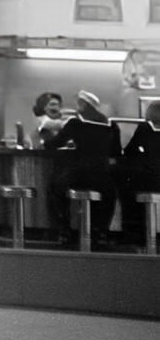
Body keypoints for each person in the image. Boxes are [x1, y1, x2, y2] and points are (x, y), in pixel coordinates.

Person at [45, 89, 121, 248]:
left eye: (78, 103)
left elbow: (56, 143)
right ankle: (100, 232)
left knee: (55, 188)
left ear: (84, 104)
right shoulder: (111, 125)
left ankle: (64, 231)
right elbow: (116, 152)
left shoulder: (76, 122)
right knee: (110, 195)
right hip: (102, 176)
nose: (76, 106)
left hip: (79, 173)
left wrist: (47, 140)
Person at [119, 100, 160, 247]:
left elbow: (130, 151)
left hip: (148, 180)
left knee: (127, 191)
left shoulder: (145, 128)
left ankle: (134, 234)